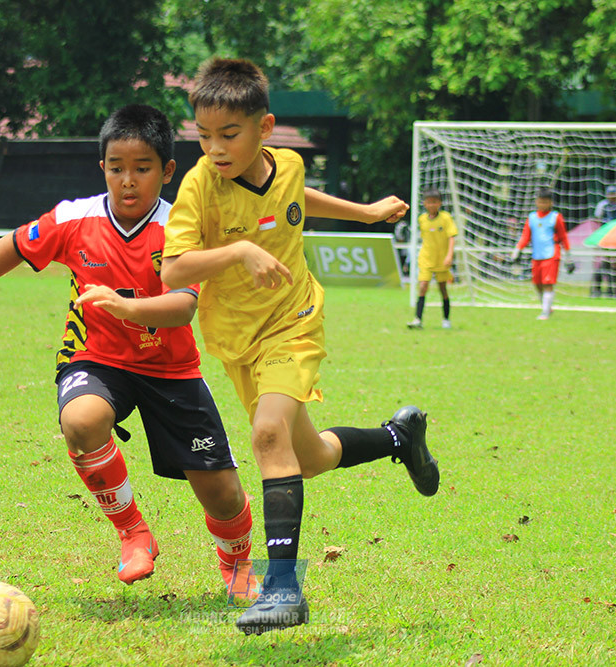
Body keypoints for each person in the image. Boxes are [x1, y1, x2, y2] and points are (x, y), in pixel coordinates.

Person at [160, 58, 440, 635]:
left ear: (264, 128)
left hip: (295, 321)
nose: (215, 148)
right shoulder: (199, 186)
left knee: (268, 435)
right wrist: (240, 252)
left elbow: (295, 197)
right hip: (238, 342)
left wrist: (364, 213)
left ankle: (283, 589)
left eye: (229, 134)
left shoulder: (287, 163)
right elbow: (173, 269)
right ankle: (400, 437)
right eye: (204, 135)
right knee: (307, 458)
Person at [0, 105, 258, 598]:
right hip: (96, 357)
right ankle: (133, 532)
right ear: (102, 167)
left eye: (142, 168)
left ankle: (237, 567)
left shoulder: (181, 227)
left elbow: (182, 308)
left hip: (171, 368)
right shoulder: (74, 218)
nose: (128, 180)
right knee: (82, 420)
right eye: (116, 167)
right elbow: (13, 246)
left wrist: (126, 308)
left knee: (222, 493)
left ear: (167, 171)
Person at [510, 187, 572, 320]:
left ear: (551, 203)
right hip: (537, 255)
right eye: (540, 201)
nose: (542, 204)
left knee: (547, 283)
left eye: (545, 202)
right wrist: (517, 251)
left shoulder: (555, 217)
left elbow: (563, 237)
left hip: (551, 255)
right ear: (536, 202)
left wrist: (569, 258)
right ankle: (547, 307)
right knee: (537, 284)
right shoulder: (532, 217)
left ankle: (545, 312)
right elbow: (525, 236)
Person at [407, 188, 457, 329]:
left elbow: (451, 237)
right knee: (423, 286)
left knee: (443, 289)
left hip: (441, 259)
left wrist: (449, 255)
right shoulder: (422, 219)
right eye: (429, 202)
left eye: (434, 202)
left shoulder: (446, 218)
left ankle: (446, 319)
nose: (431, 205)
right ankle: (418, 319)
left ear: (439, 203)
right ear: (424, 203)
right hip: (426, 258)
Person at [591, 185, 616, 297]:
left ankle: (612, 290)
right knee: (605, 261)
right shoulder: (603, 205)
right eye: (610, 194)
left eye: (614, 194)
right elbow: (597, 220)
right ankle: (597, 289)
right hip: (605, 236)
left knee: (615, 263)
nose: (612, 196)